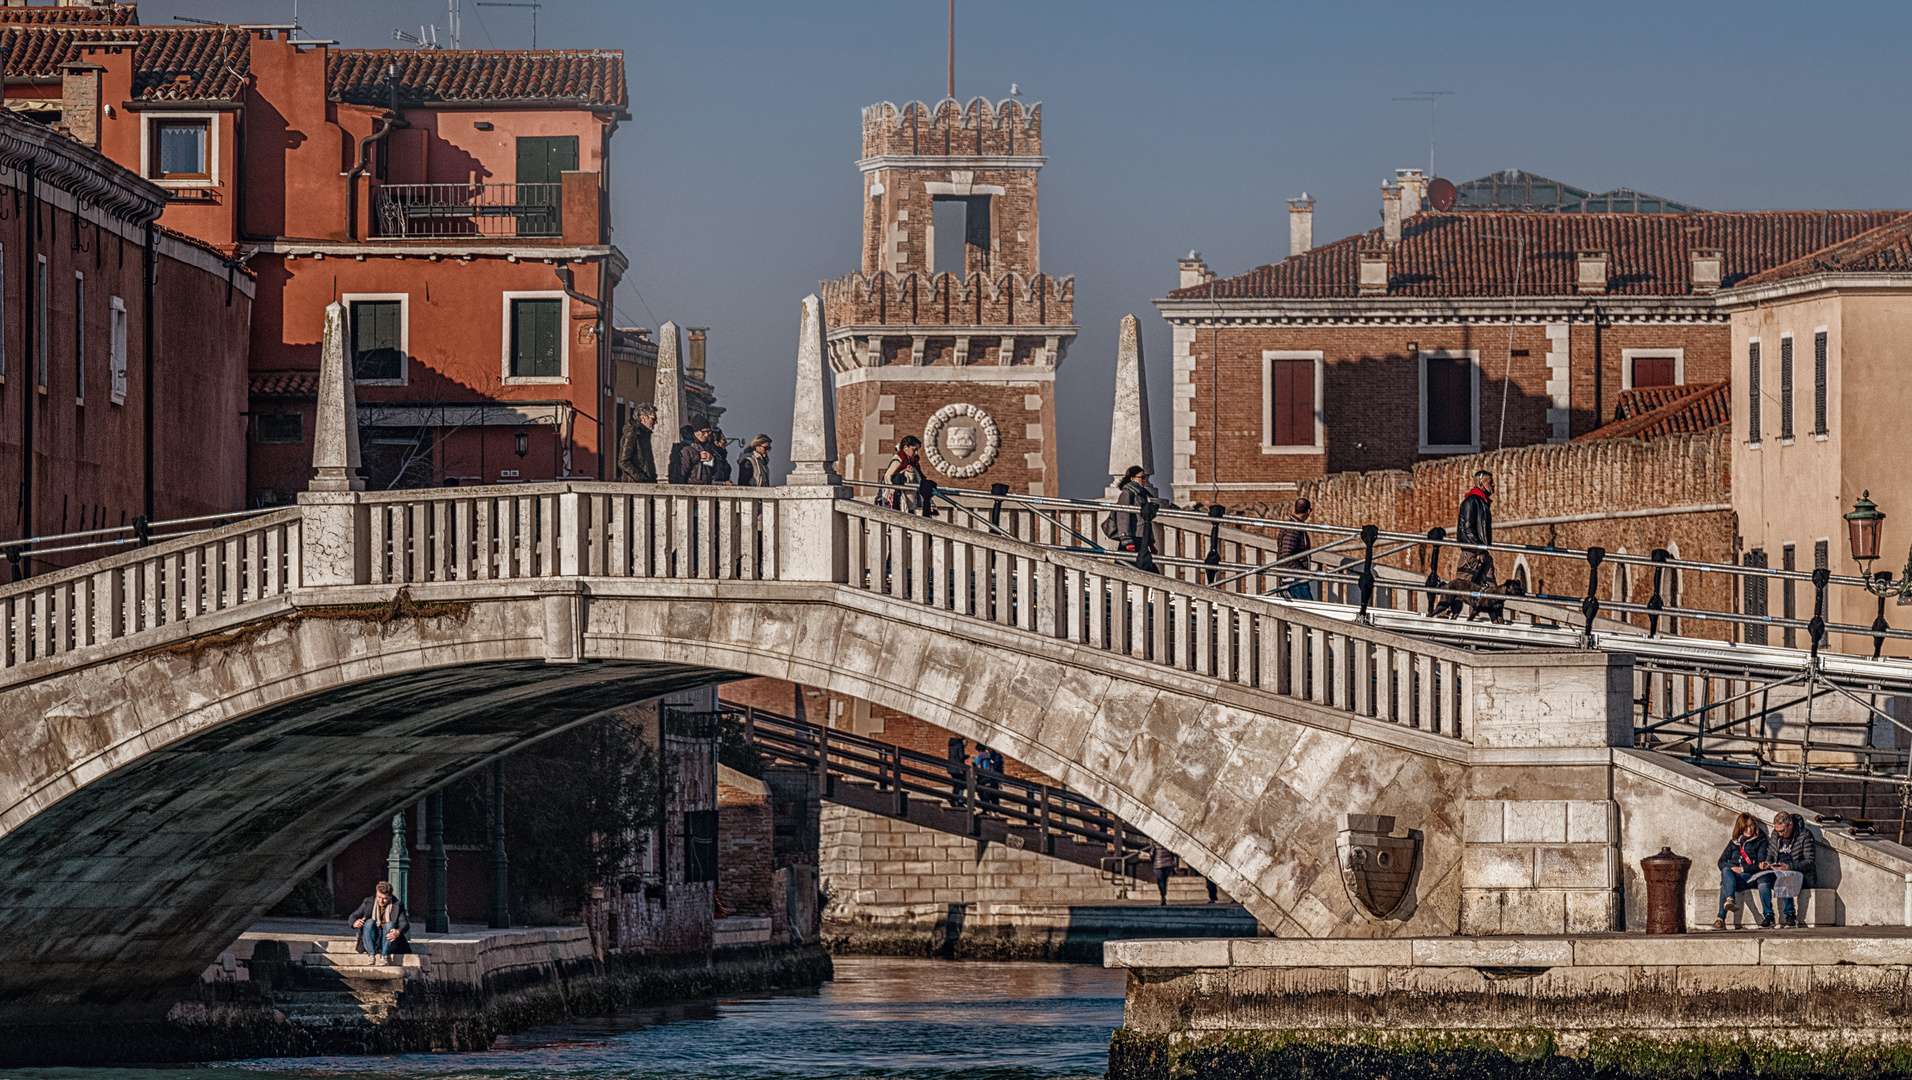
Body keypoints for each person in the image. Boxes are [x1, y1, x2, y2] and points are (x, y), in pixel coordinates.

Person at [1436, 470, 1498, 619]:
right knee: (1461, 586)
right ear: (1481, 484)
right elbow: (1467, 529)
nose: (1493, 485)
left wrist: (1482, 549)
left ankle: (1496, 619)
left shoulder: (1482, 502)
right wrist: (1478, 549)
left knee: (1490, 586)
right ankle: (1443, 614)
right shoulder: (1471, 502)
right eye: (1490, 482)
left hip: (1480, 551)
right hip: (1472, 552)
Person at [1714, 812, 1774, 930]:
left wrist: (1742, 869)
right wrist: (1733, 868)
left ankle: (1720, 918)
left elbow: (1760, 865)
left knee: (1724, 883)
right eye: (1746, 827)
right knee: (1726, 871)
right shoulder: (1734, 843)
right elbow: (1721, 861)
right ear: (1740, 828)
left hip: (1750, 877)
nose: (1749, 829)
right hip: (1735, 876)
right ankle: (1730, 899)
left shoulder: (1760, 840)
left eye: (1751, 826)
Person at [1764, 812, 1817, 928]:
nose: (1780, 834)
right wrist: (1768, 863)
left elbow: (1810, 861)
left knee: (1786, 876)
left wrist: (1789, 867)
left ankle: (1790, 915)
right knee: (1763, 880)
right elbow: (1770, 853)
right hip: (1777, 869)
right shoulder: (1776, 834)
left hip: (1799, 873)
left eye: (1782, 831)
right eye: (1777, 831)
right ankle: (1768, 915)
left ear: (1791, 825)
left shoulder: (1805, 835)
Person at [349, 880, 409, 965]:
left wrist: (398, 932)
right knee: (369, 922)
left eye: (385, 899)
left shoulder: (397, 905)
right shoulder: (368, 902)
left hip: (388, 940)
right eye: (379, 897)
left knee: (390, 924)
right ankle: (371, 955)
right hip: (373, 938)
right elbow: (353, 916)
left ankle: (384, 956)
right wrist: (355, 922)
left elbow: (404, 924)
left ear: (390, 896)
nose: (381, 901)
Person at [1276, 498, 1315, 601]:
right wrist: (1302, 572)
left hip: (1292, 577)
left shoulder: (1292, 526)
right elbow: (1286, 555)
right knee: (1311, 612)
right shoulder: (1294, 528)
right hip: (1294, 578)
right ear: (1308, 511)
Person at [880, 436, 927, 513]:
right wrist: (894, 494)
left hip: (912, 503)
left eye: (917, 450)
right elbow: (889, 477)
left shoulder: (913, 463)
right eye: (914, 450)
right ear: (905, 447)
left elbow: (919, 481)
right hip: (903, 505)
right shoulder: (898, 461)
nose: (916, 453)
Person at [620, 402, 659, 483]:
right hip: (634, 485)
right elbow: (623, 462)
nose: (656, 422)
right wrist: (641, 478)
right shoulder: (631, 433)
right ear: (643, 418)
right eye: (653, 419)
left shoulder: (645, 434)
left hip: (645, 484)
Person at [1150, 842, 1178, 907]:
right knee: (1165, 880)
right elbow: (1173, 853)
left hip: (1158, 864)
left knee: (1160, 881)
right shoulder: (1169, 843)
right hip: (1168, 864)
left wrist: (1152, 861)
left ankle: (1163, 895)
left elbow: (1152, 853)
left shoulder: (1155, 844)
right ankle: (1164, 894)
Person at [946, 736, 968, 808]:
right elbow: (961, 757)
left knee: (956, 784)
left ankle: (954, 799)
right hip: (958, 768)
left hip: (951, 768)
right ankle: (955, 799)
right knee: (959, 784)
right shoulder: (960, 745)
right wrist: (966, 756)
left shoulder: (952, 745)